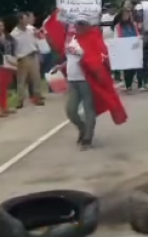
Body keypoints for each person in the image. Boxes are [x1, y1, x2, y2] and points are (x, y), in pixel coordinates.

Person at [45, 11, 128, 150]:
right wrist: (62, 66)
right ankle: (83, 129)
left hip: (86, 80)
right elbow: (70, 58)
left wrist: (86, 57)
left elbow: (99, 59)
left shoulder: (93, 38)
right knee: (71, 110)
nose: (79, 26)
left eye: (82, 24)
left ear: (88, 25)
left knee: (89, 110)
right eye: (77, 24)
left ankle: (87, 138)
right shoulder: (72, 39)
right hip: (72, 80)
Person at [10, 12, 44, 107]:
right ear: (20, 20)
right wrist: (15, 60)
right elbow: (12, 49)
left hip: (33, 55)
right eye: (25, 19)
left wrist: (38, 34)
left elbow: (37, 39)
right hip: (22, 58)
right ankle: (20, 100)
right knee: (21, 80)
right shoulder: (14, 34)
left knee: (36, 78)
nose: (27, 21)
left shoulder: (31, 29)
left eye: (27, 19)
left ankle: (37, 97)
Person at [114, 9, 148, 93]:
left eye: (128, 15)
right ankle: (128, 86)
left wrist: (140, 38)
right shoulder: (118, 26)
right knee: (128, 69)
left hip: (135, 48)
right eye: (124, 15)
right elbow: (116, 37)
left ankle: (140, 85)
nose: (127, 17)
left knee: (138, 67)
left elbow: (137, 34)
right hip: (125, 49)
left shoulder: (133, 25)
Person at [0, 19, 16, 117]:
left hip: (8, 63)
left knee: (5, 88)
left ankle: (5, 107)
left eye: (2, 25)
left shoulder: (7, 37)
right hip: (0, 65)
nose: (1, 27)